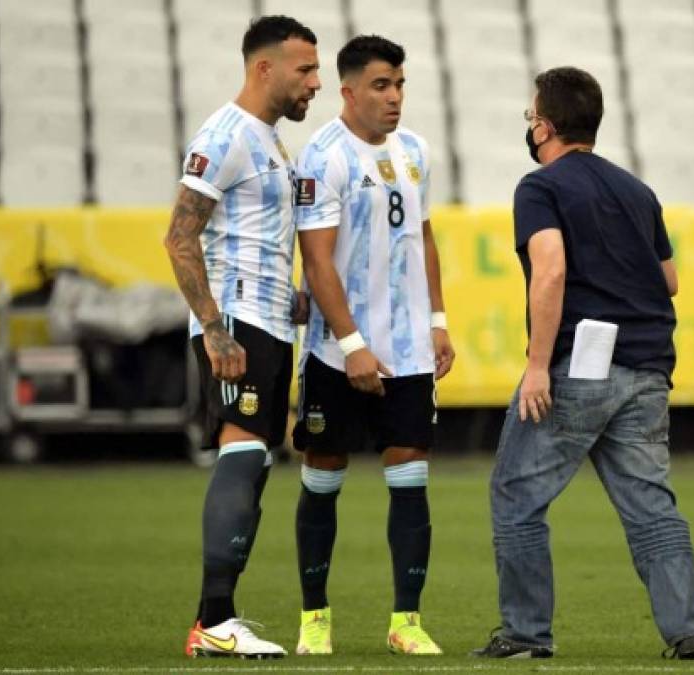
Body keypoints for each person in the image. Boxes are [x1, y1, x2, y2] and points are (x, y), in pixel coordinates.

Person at [471, 67, 694, 660]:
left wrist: (536, 365)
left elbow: (550, 270)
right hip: (649, 366)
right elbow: (670, 280)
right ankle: (688, 633)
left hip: (582, 363)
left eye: (531, 118)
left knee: (517, 495)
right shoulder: (637, 190)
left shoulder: (541, 187)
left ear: (546, 127)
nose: (530, 128)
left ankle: (527, 635)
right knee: (650, 505)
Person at [291, 35, 455, 656]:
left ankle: (406, 623)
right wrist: (352, 343)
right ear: (350, 90)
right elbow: (318, 260)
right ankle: (315, 619)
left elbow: (425, 238)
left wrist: (437, 319)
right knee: (324, 476)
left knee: (410, 477)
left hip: (410, 350)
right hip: (338, 354)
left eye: (401, 85)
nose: (394, 97)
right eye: (382, 85)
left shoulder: (416, 151)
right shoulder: (324, 156)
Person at [163, 15, 320, 659]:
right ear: (264, 69)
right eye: (305, 70)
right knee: (244, 455)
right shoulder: (225, 136)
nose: (315, 82)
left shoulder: (269, 141)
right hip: (237, 326)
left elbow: (249, 239)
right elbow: (179, 237)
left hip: (268, 320)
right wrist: (213, 330)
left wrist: (295, 299)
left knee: (254, 464)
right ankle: (216, 618)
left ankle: (214, 621)